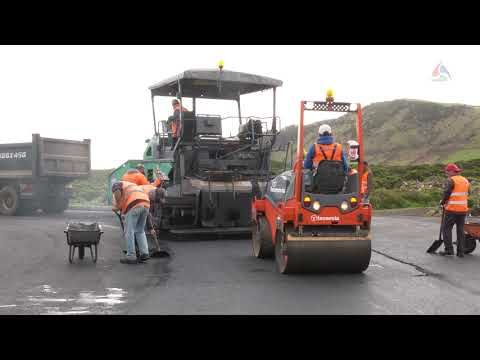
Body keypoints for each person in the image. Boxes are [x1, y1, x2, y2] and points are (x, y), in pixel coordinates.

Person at [111, 181, 151, 264]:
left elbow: (117, 193)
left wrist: (117, 206)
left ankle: (131, 256)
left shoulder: (117, 184)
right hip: (146, 203)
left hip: (134, 204)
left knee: (129, 231)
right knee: (140, 230)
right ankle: (144, 253)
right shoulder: (132, 185)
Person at [439, 163, 470, 257]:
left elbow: (447, 192)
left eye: (447, 171)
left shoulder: (451, 180)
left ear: (452, 171)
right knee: (460, 230)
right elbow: (468, 193)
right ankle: (461, 252)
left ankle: (449, 250)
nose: (446, 173)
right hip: (463, 209)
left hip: (452, 209)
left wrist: (442, 202)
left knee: (446, 228)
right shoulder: (465, 180)